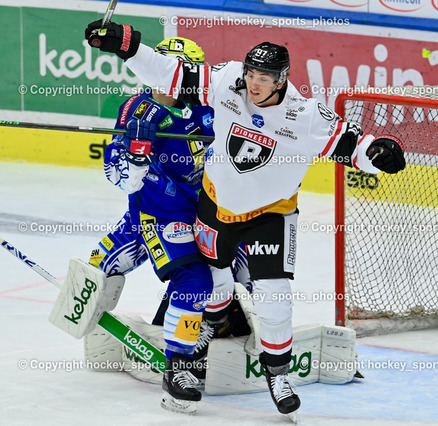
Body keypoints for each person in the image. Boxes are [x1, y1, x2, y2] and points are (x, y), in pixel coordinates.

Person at [85, 22, 406, 419]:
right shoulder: (222, 85)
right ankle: (187, 356)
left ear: (282, 80)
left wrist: (376, 154)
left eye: (264, 78)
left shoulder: (303, 115)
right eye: (251, 75)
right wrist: (128, 46)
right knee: (206, 282)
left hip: (270, 214)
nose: (253, 84)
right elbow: (172, 75)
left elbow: (349, 143)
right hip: (205, 210)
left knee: (271, 295)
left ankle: (276, 370)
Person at [87, 36, 251, 414]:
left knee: (248, 272)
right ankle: (180, 369)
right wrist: (137, 156)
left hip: (209, 210)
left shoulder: (210, 105)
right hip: (160, 214)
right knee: (195, 281)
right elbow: (121, 179)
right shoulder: (137, 110)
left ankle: (217, 325)